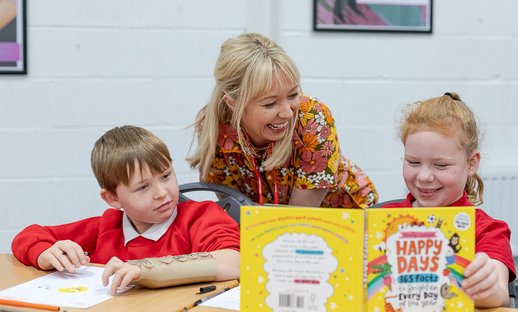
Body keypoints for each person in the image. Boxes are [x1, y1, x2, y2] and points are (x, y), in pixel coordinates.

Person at [12, 125, 240, 295]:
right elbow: (29, 236)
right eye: (143, 187)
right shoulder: (107, 226)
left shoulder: (201, 216)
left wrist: (146, 270)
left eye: (166, 176)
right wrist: (44, 254)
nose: (161, 192)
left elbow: (233, 262)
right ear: (112, 198)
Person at [187, 32, 378, 208]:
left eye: (293, 95)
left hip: (345, 217)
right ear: (233, 104)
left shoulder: (312, 118)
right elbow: (234, 207)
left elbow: (299, 218)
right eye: (270, 103)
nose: (287, 113)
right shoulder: (214, 126)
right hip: (270, 226)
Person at [382, 92, 516, 308]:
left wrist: (486, 286)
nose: (424, 176)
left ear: (471, 163)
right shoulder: (379, 220)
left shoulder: (487, 231)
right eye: (413, 162)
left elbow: (499, 295)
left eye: (441, 165)